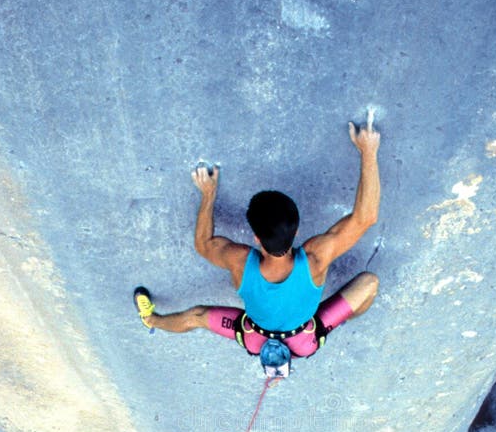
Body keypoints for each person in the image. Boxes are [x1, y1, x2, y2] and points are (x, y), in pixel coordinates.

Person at [134, 114, 381, 362]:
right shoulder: (316, 257)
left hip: (254, 337)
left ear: (256, 239)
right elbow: (365, 217)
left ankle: (151, 320)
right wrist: (368, 150)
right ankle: (334, 322)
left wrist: (208, 195)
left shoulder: (239, 261)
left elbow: (204, 244)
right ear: (296, 231)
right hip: (305, 340)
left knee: (195, 317)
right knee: (369, 284)